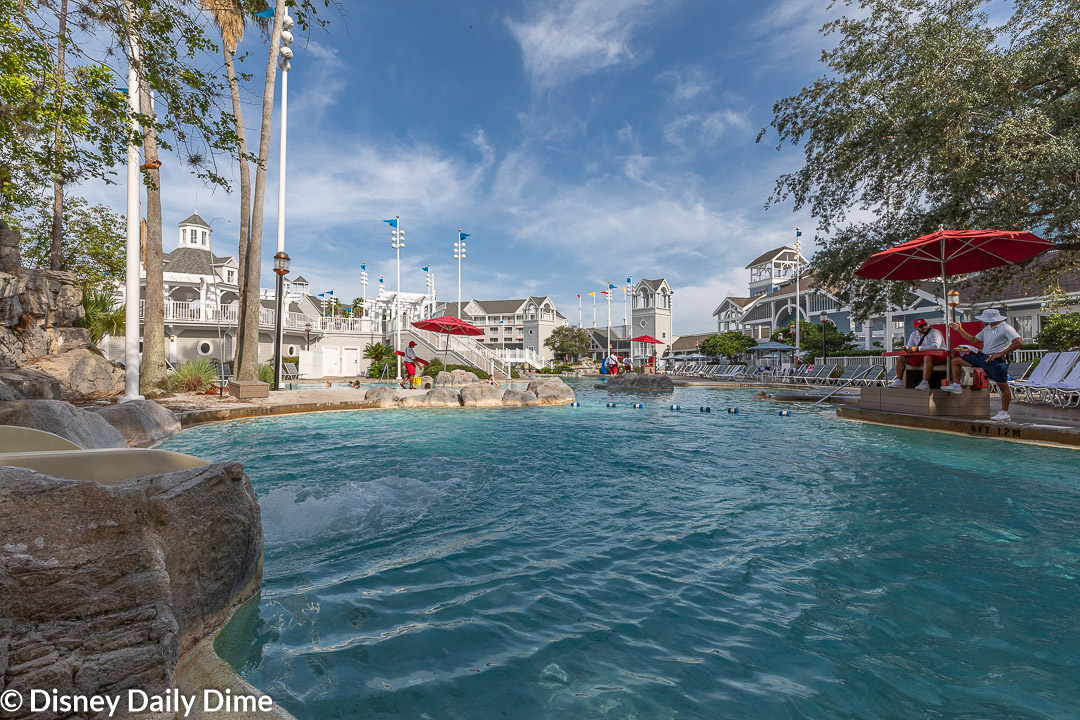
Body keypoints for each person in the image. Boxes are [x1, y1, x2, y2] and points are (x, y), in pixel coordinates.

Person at [941, 308, 1023, 421]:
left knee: (1002, 385)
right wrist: (959, 330)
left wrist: (1000, 354)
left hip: (998, 360)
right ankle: (956, 385)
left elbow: (1019, 342)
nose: (986, 321)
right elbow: (974, 340)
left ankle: (1004, 413)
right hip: (984, 357)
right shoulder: (988, 328)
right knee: (956, 361)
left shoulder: (1006, 328)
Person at [889, 318, 946, 390]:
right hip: (921, 356)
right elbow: (910, 346)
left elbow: (936, 346)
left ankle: (925, 382)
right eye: (921, 326)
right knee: (901, 358)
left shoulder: (935, 332)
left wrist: (918, 348)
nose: (924, 327)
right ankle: (899, 381)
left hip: (938, 356)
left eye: (925, 325)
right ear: (916, 328)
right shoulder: (914, 334)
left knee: (927, 357)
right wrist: (907, 349)